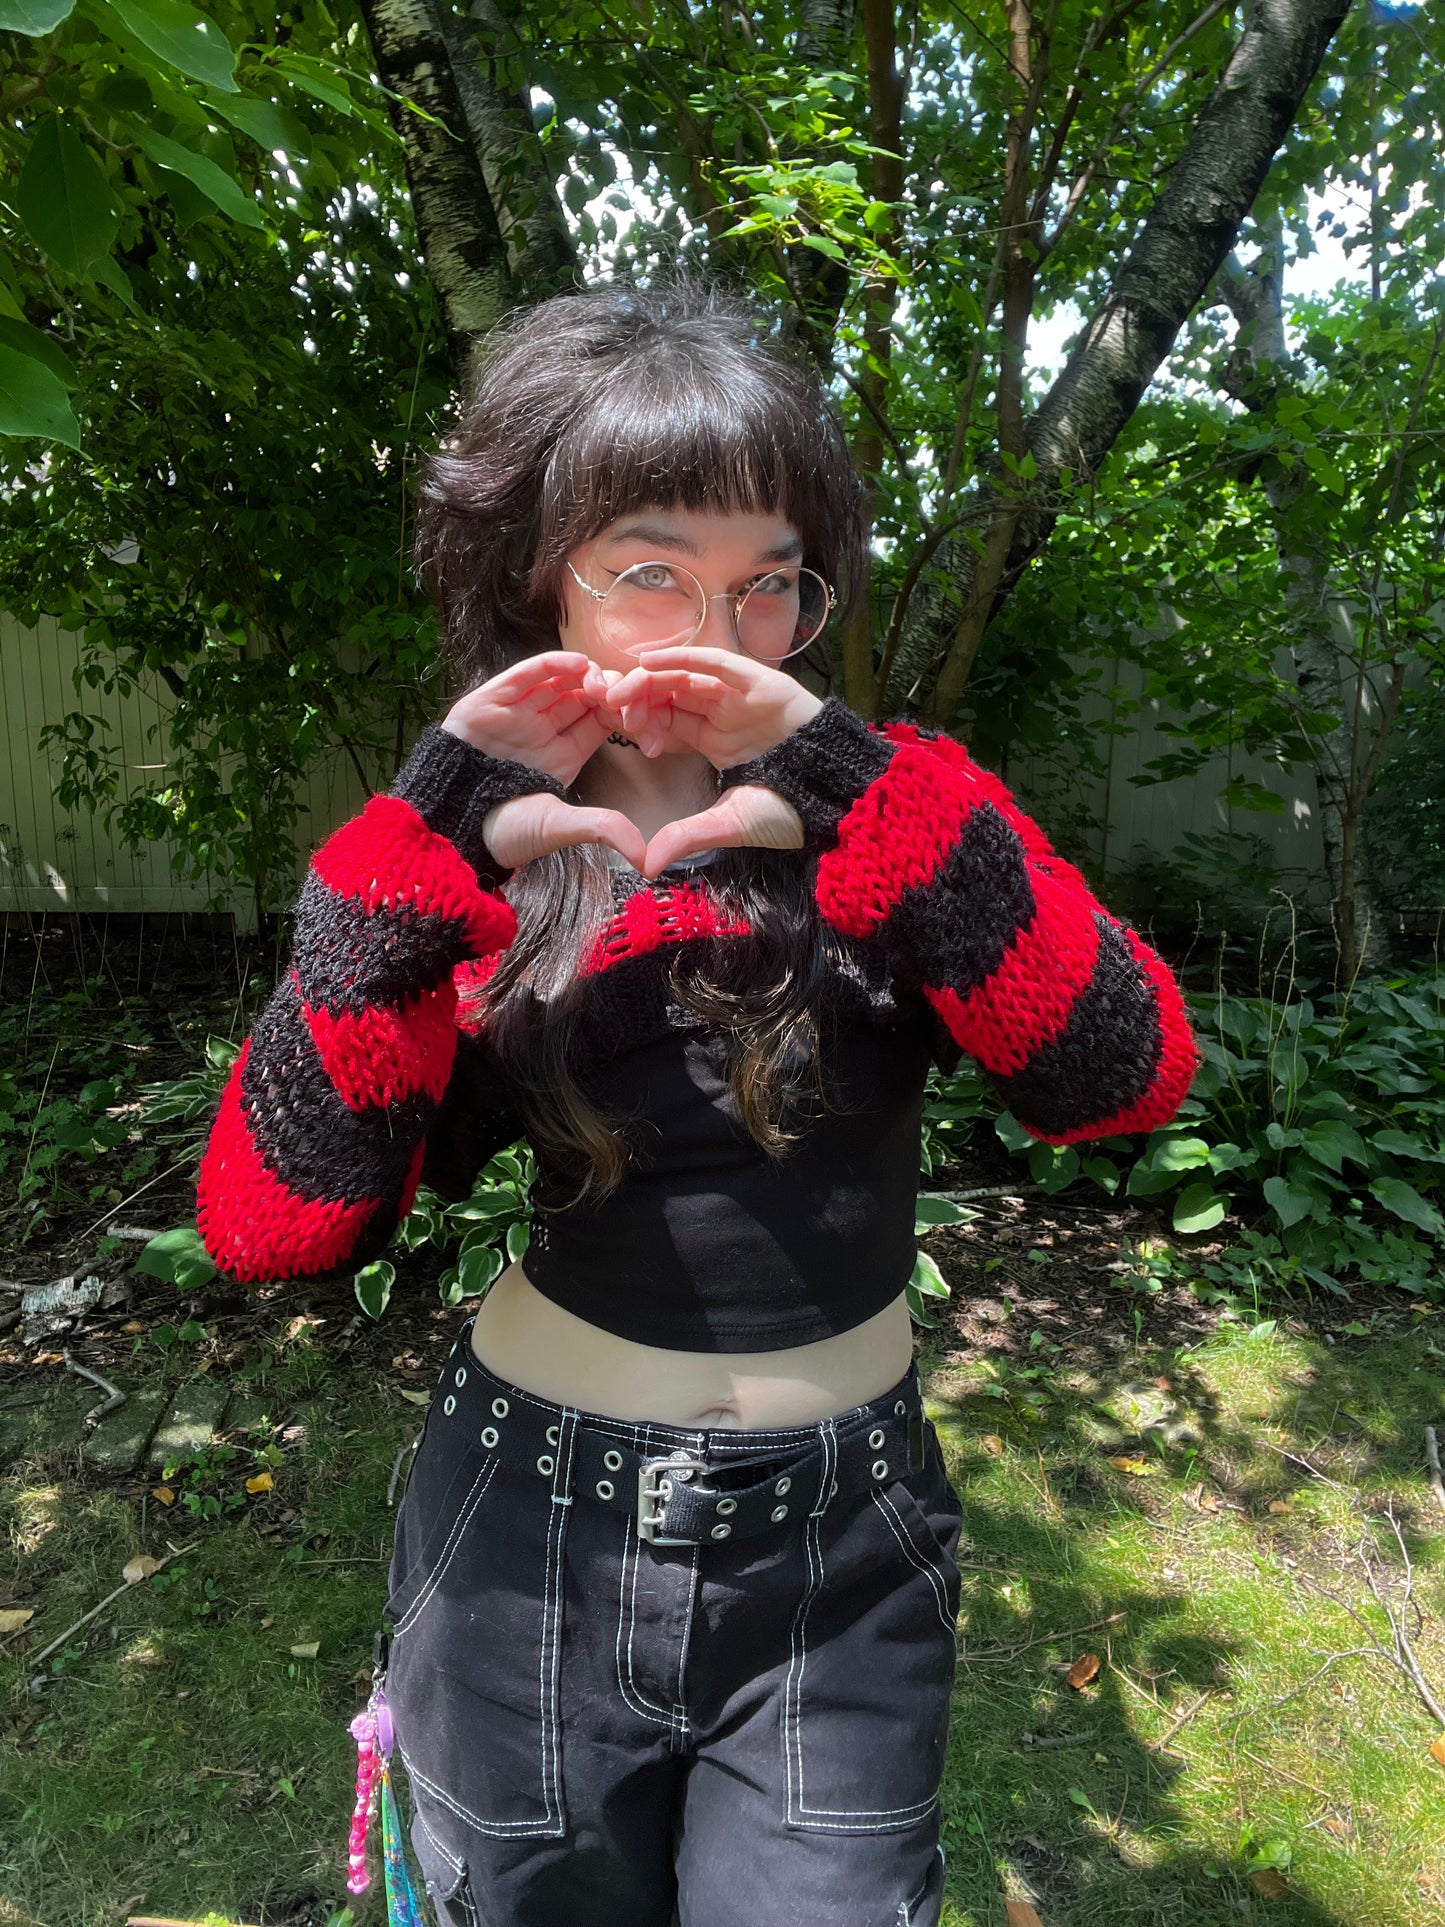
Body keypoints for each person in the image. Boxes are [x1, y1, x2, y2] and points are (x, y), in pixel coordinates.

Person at [195, 282, 1197, 1927]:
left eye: (764, 584)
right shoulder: (461, 869)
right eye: (647, 568)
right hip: (528, 1535)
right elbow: (274, 1225)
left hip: (847, 1554)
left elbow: (1122, 1075)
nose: (706, 636)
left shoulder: (895, 828)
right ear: (538, 580)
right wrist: (424, 844)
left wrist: (855, 784)